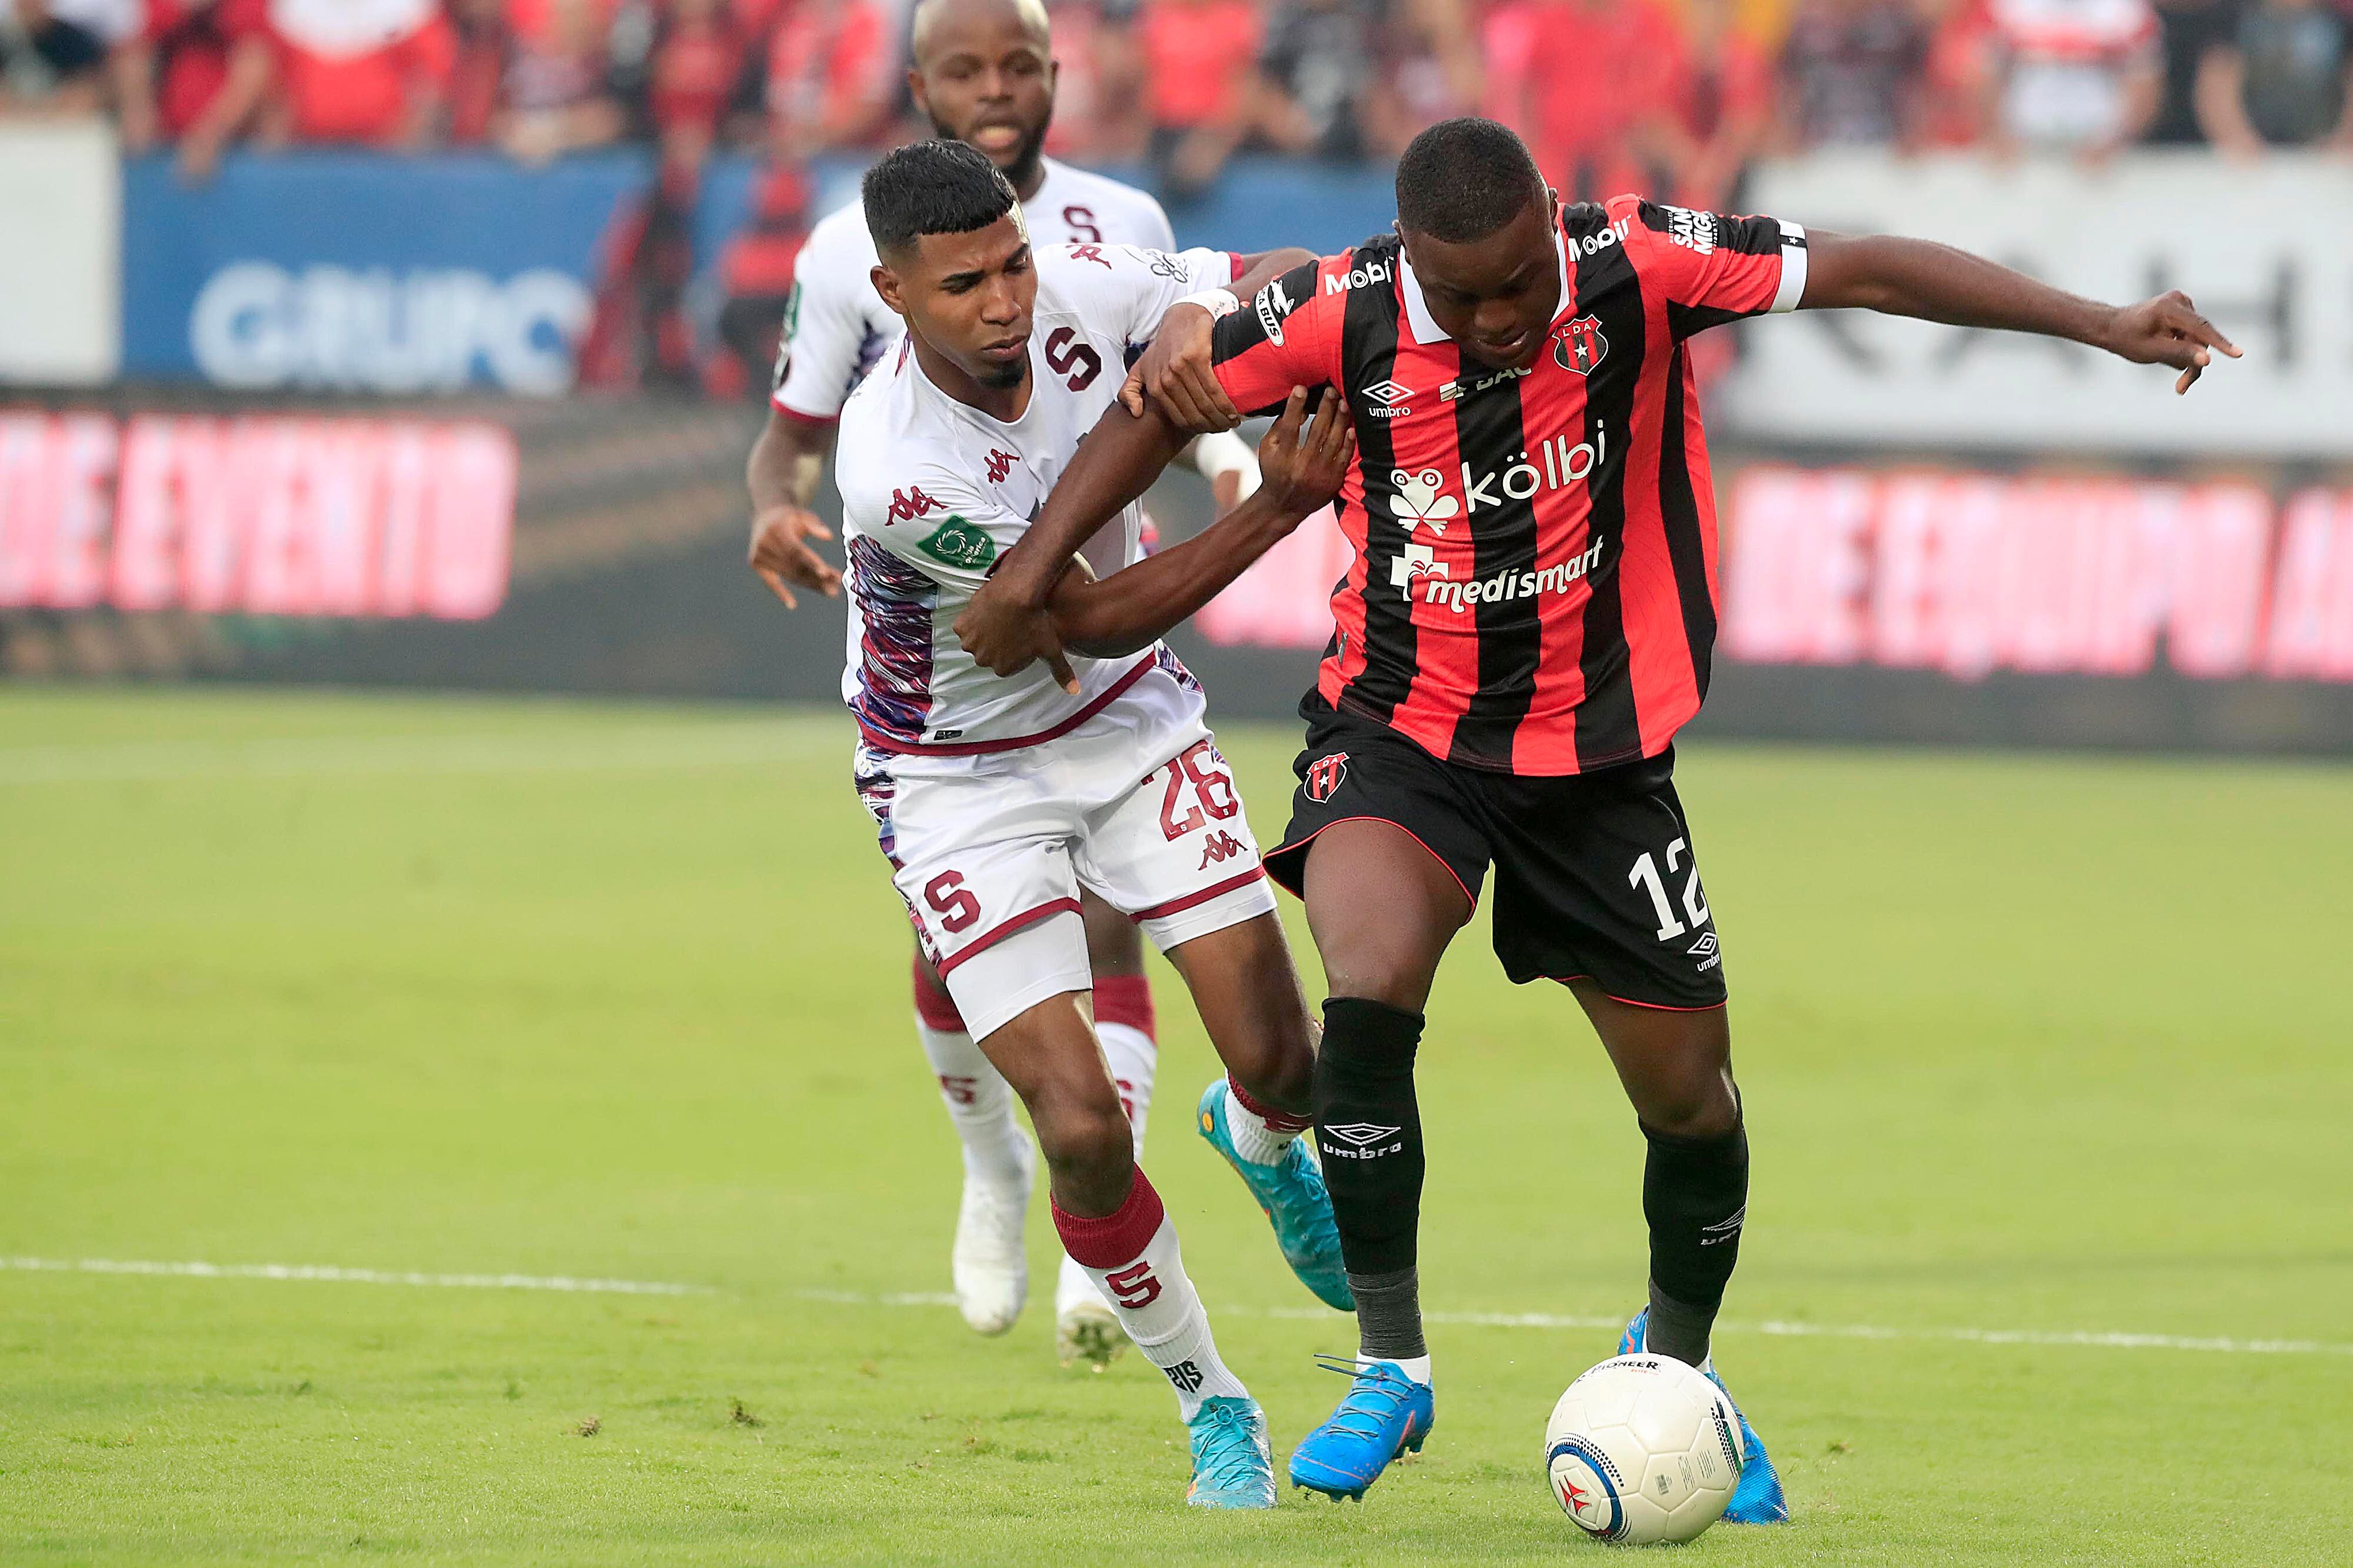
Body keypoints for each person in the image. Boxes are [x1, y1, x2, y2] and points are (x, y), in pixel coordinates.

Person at [954, 115, 2237, 1507]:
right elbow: (1156, 407)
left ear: (1546, 221)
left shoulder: (1641, 260)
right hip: (1402, 730)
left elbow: (1866, 267)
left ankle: (1675, 1372)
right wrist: (1032, 571)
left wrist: (2101, 323)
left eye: (1515, 282)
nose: (1498, 317)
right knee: (1367, 991)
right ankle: (1393, 1366)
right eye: (1464, 298)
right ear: (1412, 268)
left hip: (1604, 758)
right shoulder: (1341, 309)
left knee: (1692, 1110)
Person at [743, 0, 1268, 1366]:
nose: (993, 87)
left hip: (1092, 652)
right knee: (985, 989)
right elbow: (796, 441)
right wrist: (769, 505)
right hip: (951, 669)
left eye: (1017, 63)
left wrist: (1233, 461)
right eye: (962, 67)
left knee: (1131, 951)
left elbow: (1190, 340)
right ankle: (998, 1175)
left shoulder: (1109, 233)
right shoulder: (852, 297)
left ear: (1053, 77)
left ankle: (1104, 1232)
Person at [835, 138, 1355, 1506]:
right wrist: (1277, 511)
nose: (1005, 302)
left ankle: (1254, 1133)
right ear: (893, 293)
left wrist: (1194, 308)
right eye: (963, 286)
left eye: (1011, 263)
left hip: (1126, 729)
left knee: (1288, 1064)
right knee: (1076, 1125)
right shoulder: (890, 468)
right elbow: (1073, 615)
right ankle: (1212, 1402)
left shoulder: (1072, 283)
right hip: (953, 774)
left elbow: (1288, 278)